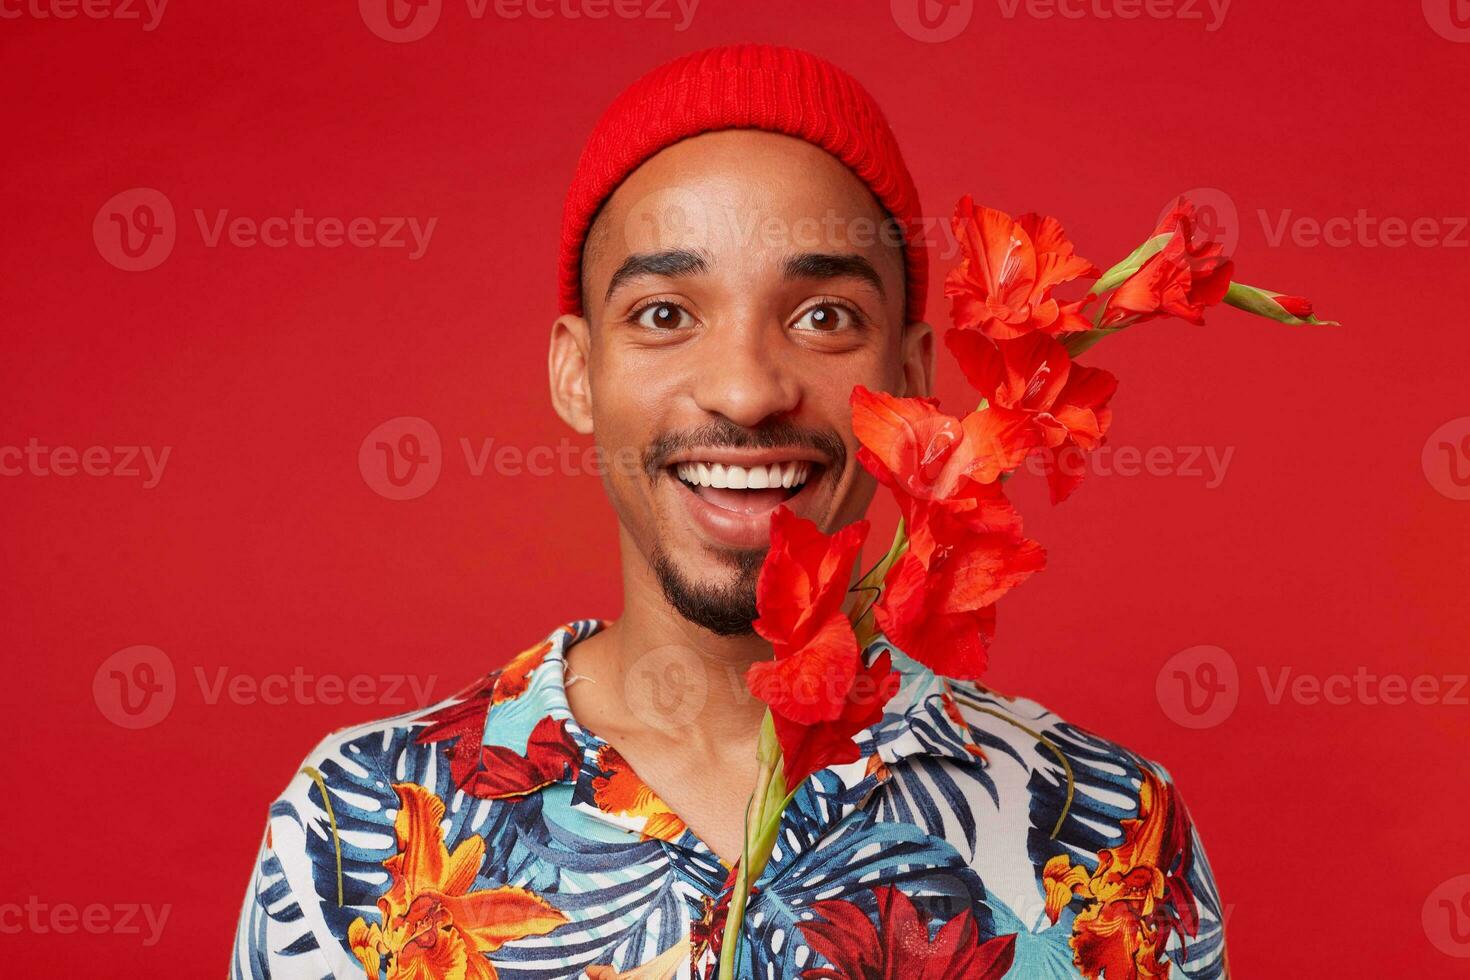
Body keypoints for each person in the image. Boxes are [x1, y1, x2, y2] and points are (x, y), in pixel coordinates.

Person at [231, 43, 1228, 980]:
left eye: (824, 317)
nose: (747, 391)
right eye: (665, 315)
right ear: (579, 374)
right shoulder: (356, 827)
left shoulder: (1105, 835)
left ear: (916, 376)